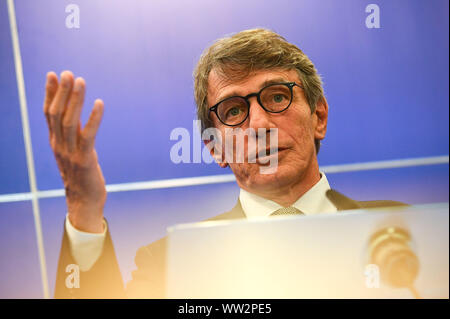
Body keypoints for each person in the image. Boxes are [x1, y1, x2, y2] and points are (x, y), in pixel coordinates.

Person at [43, 28, 405, 298]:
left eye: (277, 97)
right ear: (214, 148)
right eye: (234, 110)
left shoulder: (407, 232)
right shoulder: (170, 264)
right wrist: (84, 208)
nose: (260, 124)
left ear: (319, 117)